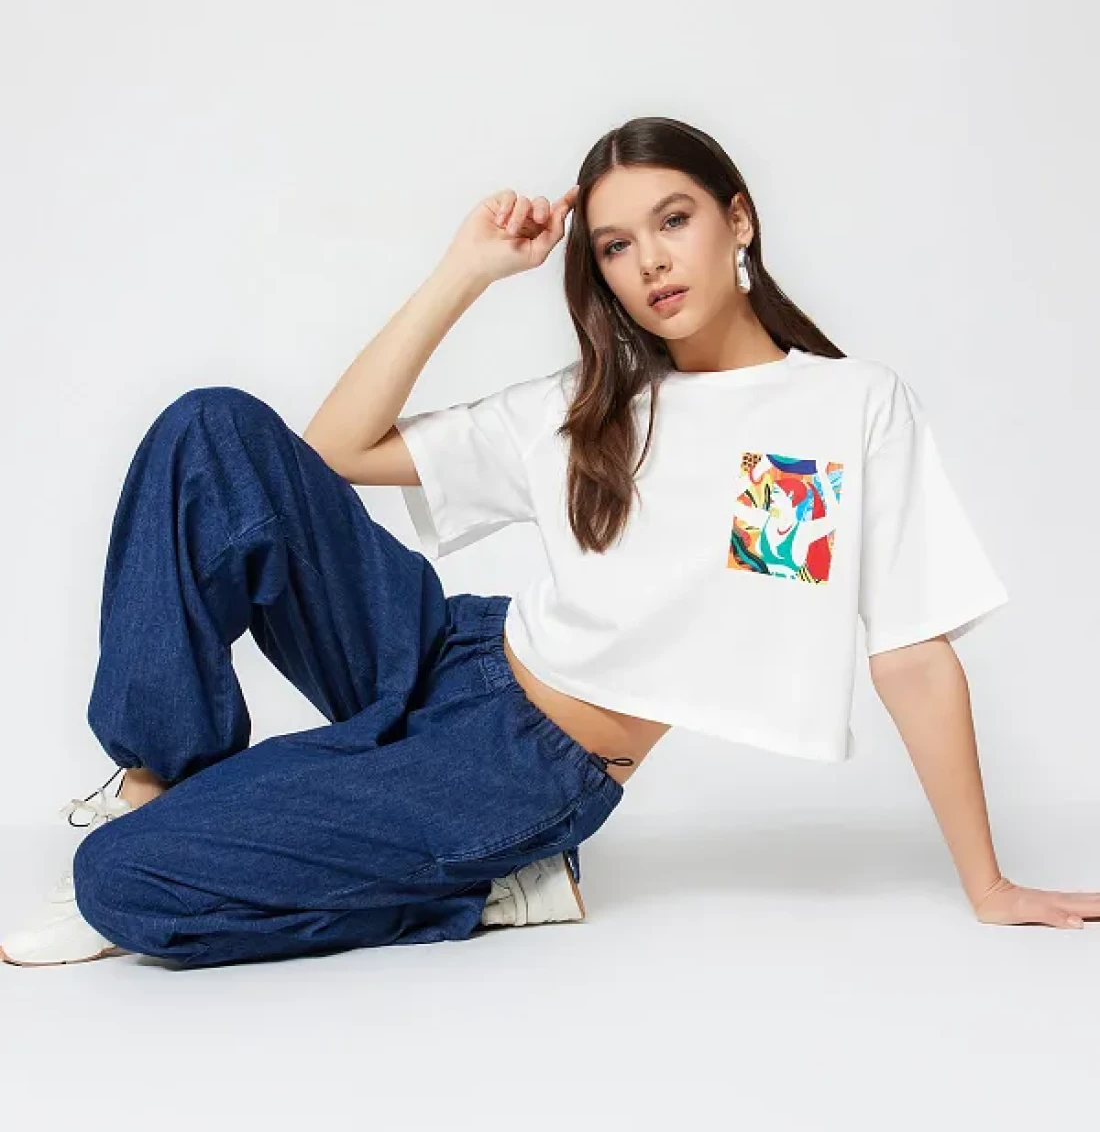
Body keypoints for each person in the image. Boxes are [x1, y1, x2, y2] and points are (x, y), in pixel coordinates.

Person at [4, 115, 1098, 970]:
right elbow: (331, 450)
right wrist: (465, 271)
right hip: (449, 650)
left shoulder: (845, 408)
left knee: (120, 885)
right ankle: (157, 778)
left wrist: (988, 884)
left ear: (738, 219)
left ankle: (485, 887)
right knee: (212, 430)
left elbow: (909, 651)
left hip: (521, 768)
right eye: (616, 244)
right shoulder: (589, 404)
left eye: (674, 220)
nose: (650, 262)